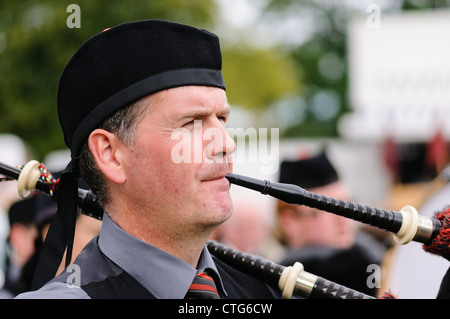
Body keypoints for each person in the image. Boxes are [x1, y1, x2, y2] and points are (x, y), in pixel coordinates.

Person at [17, 20, 280, 299]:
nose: (226, 144)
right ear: (110, 154)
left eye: (222, 119)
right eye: (191, 123)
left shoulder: (262, 290)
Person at [276, 152, 387, 296]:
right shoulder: (278, 286)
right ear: (289, 222)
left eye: (347, 205)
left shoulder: (375, 258)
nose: (342, 218)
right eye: (328, 208)